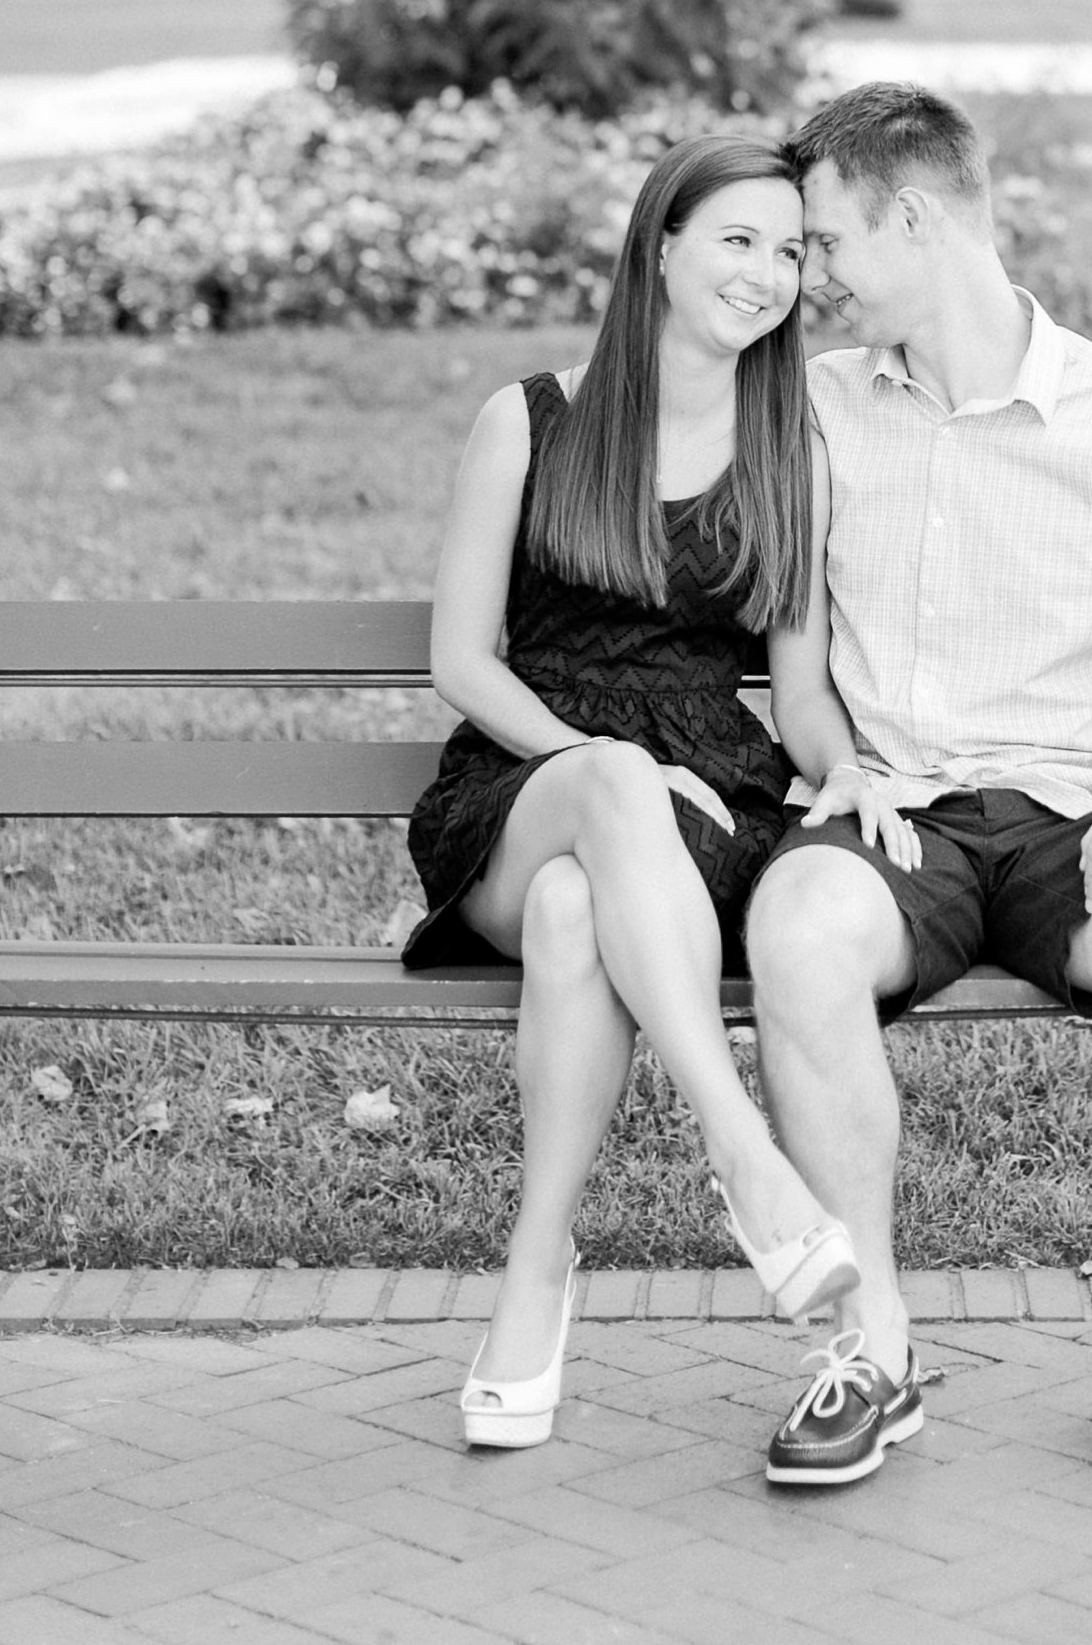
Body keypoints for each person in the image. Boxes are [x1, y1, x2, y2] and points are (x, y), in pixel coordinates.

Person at [747, 82, 1092, 1503]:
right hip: (896, 821)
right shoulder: (811, 413)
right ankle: (868, 1342)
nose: (810, 281)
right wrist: (840, 766)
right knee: (796, 927)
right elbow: (792, 648)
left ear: (916, 219)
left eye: (825, 244)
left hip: (1079, 821)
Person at [404, 134, 872, 1450]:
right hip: (521, 783)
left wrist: (849, 779)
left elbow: (804, 692)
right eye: (738, 239)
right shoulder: (532, 419)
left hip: (705, 817)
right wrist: (595, 760)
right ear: (660, 245)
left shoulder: (792, 452)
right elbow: (459, 660)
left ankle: (534, 1275)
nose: (767, 273)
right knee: (600, 800)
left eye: (790, 251)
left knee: (572, 920)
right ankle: (744, 1152)